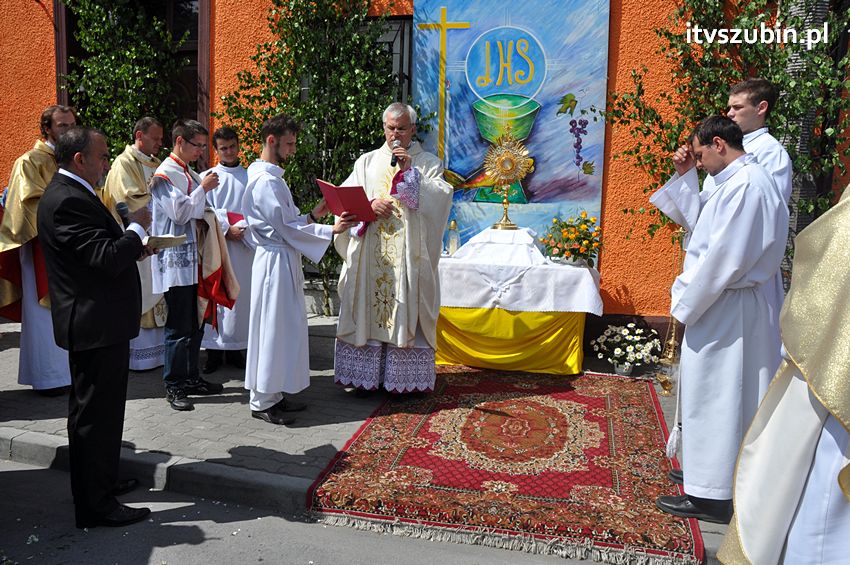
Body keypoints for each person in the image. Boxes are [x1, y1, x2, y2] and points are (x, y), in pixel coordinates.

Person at [650, 116, 788, 523]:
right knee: (715, 392)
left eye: (700, 155)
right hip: (728, 301)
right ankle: (706, 475)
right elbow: (703, 227)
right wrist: (685, 176)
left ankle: (712, 496)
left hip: (727, 304)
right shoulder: (739, 181)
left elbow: (721, 259)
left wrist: (684, 304)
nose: (701, 163)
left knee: (719, 394)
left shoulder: (746, 186)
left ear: (718, 145)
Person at [716, 187, 850, 564]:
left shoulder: (751, 181)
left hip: (838, 380)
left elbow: (827, 281)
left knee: (826, 520)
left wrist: (686, 300)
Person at [37, 126, 152, 528]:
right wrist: (136, 229)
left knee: (103, 413)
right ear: (80, 159)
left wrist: (133, 245)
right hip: (93, 323)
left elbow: (97, 255)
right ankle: (94, 505)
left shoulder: (76, 192)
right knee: (93, 416)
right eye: (102, 156)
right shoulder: (66, 199)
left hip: (101, 320)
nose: (107, 163)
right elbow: (103, 257)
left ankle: (102, 483)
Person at [242, 114, 356, 425]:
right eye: (289, 143)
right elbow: (284, 229)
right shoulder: (265, 182)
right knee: (271, 328)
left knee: (282, 329)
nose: (293, 150)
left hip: (280, 259)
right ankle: (262, 399)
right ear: (271, 140)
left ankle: (274, 393)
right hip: (273, 263)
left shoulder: (272, 179)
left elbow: (288, 225)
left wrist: (313, 215)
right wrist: (330, 231)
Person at [333, 102, 452, 394]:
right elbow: (347, 199)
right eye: (390, 128)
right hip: (371, 252)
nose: (395, 135)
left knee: (405, 306)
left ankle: (401, 382)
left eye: (401, 129)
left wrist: (410, 175)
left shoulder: (427, 163)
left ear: (412, 129)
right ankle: (366, 379)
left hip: (407, 255)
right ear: (383, 128)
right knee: (367, 307)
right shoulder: (367, 161)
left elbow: (439, 200)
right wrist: (370, 206)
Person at [0, 105, 76, 395]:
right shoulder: (29, 162)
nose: (68, 130)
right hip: (41, 249)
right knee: (44, 316)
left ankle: (66, 374)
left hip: (67, 247)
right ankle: (48, 378)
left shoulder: (69, 160)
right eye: (61, 125)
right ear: (46, 129)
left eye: (71, 124)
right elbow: (27, 206)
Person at [149, 119, 223, 411]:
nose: (202, 152)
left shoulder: (187, 172)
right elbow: (179, 213)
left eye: (204, 146)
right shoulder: (163, 175)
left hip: (195, 259)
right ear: (180, 141)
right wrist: (203, 187)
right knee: (178, 327)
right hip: (176, 262)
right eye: (198, 146)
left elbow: (196, 209)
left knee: (195, 323)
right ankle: (174, 385)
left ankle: (192, 377)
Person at [103, 116, 166, 371]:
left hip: (157, 239)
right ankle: (138, 357)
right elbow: (128, 200)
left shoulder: (157, 164)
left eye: (162, 139)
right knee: (142, 289)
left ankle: (160, 355)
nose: (160, 143)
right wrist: (161, 196)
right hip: (135, 240)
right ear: (139, 136)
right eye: (156, 138)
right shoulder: (123, 163)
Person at [200, 126, 251, 373]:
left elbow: (257, 210)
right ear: (216, 150)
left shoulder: (250, 176)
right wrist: (226, 228)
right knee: (218, 297)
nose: (229, 152)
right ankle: (213, 352)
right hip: (218, 247)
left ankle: (236, 350)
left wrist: (243, 228)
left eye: (232, 147)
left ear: (238, 146)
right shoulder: (208, 177)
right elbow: (204, 210)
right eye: (223, 148)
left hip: (244, 247)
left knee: (240, 299)